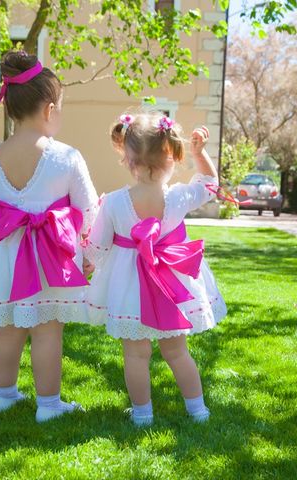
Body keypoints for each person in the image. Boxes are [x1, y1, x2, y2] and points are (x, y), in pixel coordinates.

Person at [0, 51, 98, 423]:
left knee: (7, 327)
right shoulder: (67, 157)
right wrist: (88, 252)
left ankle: (3, 396)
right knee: (47, 330)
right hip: (50, 257)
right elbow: (89, 212)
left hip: (4, 256)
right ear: (50, 109)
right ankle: (49, 405)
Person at [84, 112, 227, 425]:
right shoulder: (179, 195)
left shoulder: (114, 203)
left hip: (129, 286)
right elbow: (210, 185)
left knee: (135, 354)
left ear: (128, 159)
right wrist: (200, 154)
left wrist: (86, 261)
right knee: (177, 352)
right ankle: (198, 410)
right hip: (171, 285)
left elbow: (97, 246)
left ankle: (142, 415)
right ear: (169, 155)